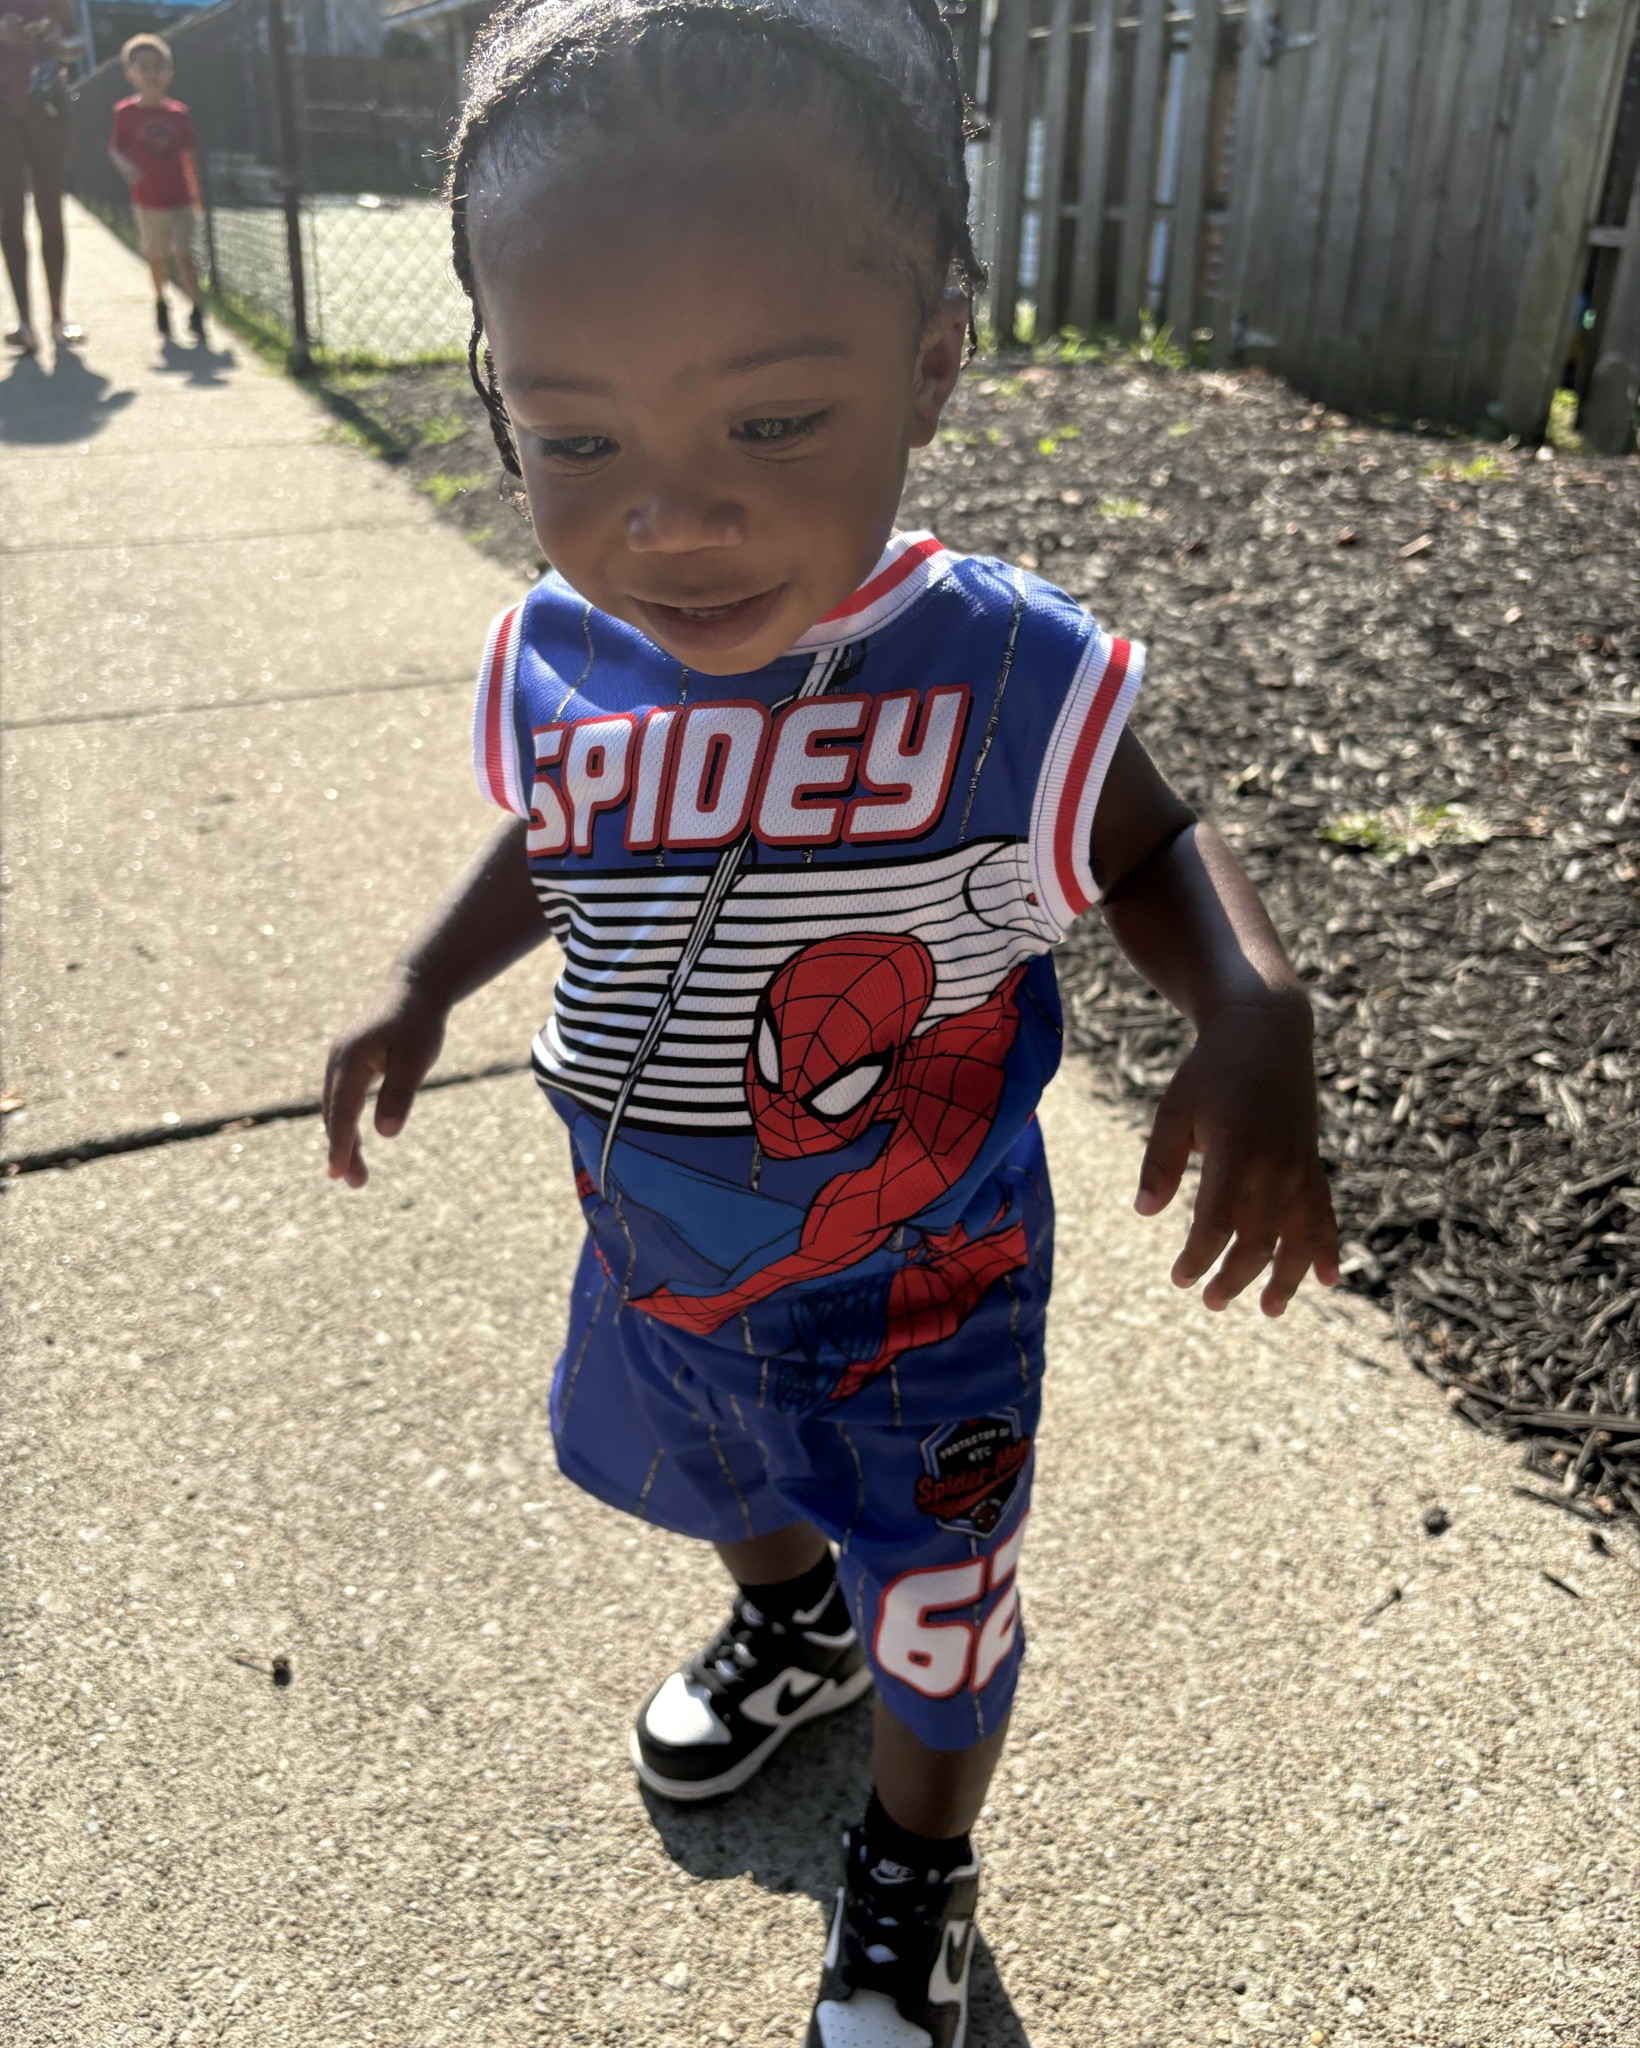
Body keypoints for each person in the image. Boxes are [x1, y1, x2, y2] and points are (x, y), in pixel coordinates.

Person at [322, 5, 1339, 2043]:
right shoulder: (560, 649)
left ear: (928, 363)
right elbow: (563, 832)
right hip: (662, 1249)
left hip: (917, 1286)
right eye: (575, 439)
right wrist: (428, 973)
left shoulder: (1000, 672)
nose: (666, 522)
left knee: (941, 1588)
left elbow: (1148, 842)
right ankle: (788, 1620)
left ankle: (914, 1868)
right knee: (719, 1469)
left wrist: (1248, 999)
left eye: (770, 424)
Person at [109, 33, 205, 342]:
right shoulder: (125, 113)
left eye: (158, 66)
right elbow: (116, 149)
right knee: (156, 256)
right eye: (144, 67)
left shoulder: (178, 114)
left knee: (184, 253)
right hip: (148, 200)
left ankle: (197, 310)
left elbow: (189, 156)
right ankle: (161, 301)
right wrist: (126, 167)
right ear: (131, 74)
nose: (152, 74)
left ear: (169, 71)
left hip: (178, 198)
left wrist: (196, 194)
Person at [0, 0, 80, 353]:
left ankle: (58, 319)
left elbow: (76, 45)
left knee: (51, 211)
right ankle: (25, 323)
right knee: (9, 216)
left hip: (47, 106)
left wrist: (57, 41)